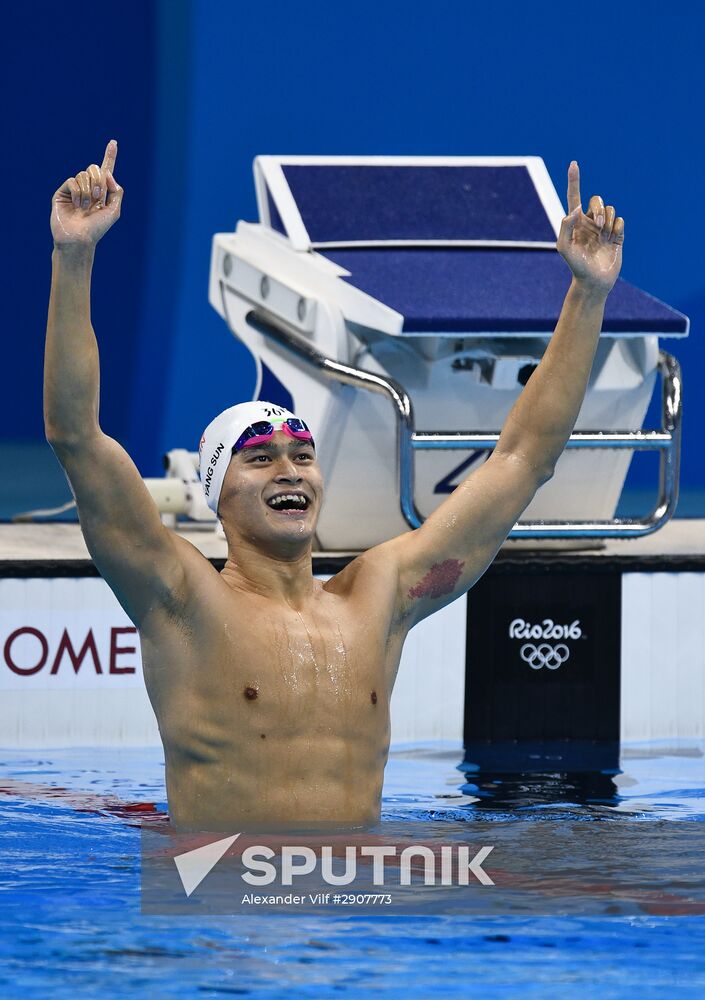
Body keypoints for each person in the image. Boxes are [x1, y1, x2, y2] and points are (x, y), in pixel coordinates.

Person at [45, 140, 624, 831]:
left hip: (356, 892)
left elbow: (522, 460)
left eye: (302, 455)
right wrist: (73, 256)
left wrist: (588, 294)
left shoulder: (378, 598)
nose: (290, 470)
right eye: (260, 459)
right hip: (225, 891)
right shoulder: (178, 598)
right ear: (216, 494)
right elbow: (76, 436)